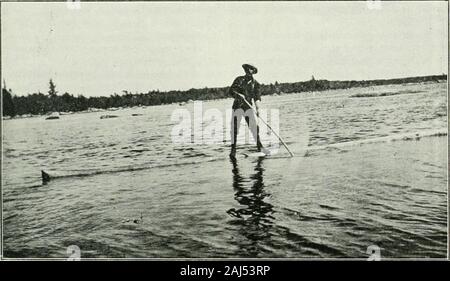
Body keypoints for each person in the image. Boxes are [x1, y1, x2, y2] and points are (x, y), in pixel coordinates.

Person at [229, 64, 268, 158]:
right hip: (237, 107)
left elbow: (257, 98)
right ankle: (233, 151)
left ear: (253, 71)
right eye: (247, 69)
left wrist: (258, 109)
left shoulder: (256, 84)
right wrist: (238, 94)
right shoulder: (239, 80)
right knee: (234, 129)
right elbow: (231, 91)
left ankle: (260, 147)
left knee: (254, 128)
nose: (248, 71)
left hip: (248, 107)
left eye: (251, 69)